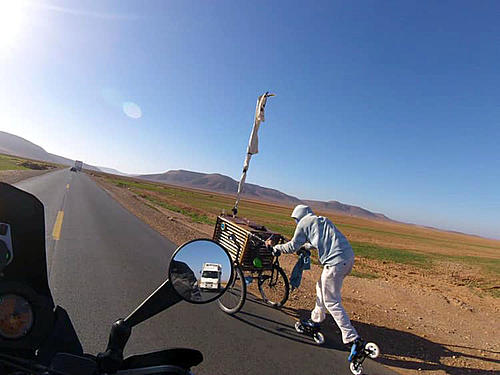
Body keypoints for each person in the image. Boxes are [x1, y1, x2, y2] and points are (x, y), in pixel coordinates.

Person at [265, 204, 364, 354]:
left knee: (331, 301)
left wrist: (277, 248)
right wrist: (306, 247)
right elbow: (317, 241)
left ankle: (352, 338)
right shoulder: (321, 220)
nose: (296, 223)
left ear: (298, 216)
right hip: (347, 258)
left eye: (295, 220)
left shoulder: (304, 222)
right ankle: (316, 319)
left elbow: (292, 246)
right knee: (320, 287)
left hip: (335, 262)